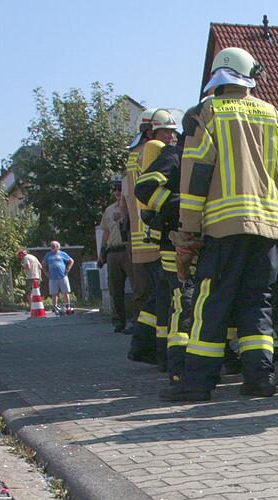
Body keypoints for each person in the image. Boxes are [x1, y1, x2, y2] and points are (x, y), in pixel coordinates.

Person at [160, 47, 278, 402]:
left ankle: (198, 383)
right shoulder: (276, 117)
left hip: (223, 230)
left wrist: (188, 228)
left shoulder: (207, 114)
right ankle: (260, 379)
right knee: (259, 303)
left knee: (212, 302)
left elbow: (195, 175)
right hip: (268, 232)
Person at [135, 109, 187, 382]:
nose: (171, 136)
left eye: (173, 131)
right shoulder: (157, 150)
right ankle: (172, 360)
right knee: (176, 298)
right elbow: (146, 191)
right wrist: (175, 207)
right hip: (171, 237)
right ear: (151, 132)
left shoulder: (142, 152)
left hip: (157, 237)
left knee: (164, 298)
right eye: (167, 131)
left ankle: (154, 351)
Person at [123, 108, 160, 362]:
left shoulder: (131, 157)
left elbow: (126, 199)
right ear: (151, 131)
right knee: (162, 296)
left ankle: (141, 345)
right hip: (156, 235)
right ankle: (153, 349)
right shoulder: (153, 152)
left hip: (138, 239)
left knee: (148, 296)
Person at [98, 179, 132, 332]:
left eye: (120, 189)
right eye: (115, 190)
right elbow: (105, 231)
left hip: (127, 250)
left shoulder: (130, 205)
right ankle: (119, 322)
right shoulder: (109, 210)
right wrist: (102, 252)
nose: (117, 192)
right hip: (113, 251)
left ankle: (139, 322)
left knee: (137, 287)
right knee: (115, 290)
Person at [42, 241, 74, 314]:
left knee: (65, 292)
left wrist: (68, 269)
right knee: (54, 293)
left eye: (54, 246)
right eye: (51, 246)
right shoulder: (48, 255)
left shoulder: (62, 254)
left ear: (57, 247)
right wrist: (46, 272)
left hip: (62, 276)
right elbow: (43, 264)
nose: (52, 247)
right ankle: (55, 307)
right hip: (53, 277)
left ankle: (67, 306)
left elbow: (71, 261)